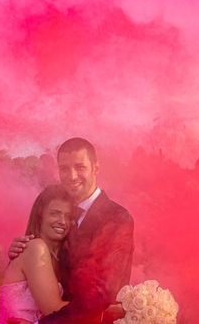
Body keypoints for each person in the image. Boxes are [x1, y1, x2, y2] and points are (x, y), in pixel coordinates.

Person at [8, 137, 134, 324]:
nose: (72, 176)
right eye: (64, 168)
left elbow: (103, 293)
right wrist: (20, 257)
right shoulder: (62, 216)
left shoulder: (117, 218)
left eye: (80, 167)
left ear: (96, 168)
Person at [0, 185, 76, 324]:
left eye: (68, 216)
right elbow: (53, 310)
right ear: (40, 215)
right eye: (55, 213)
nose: (62, 221)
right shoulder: (35, 248)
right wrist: (105, 312)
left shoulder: (57, 258)